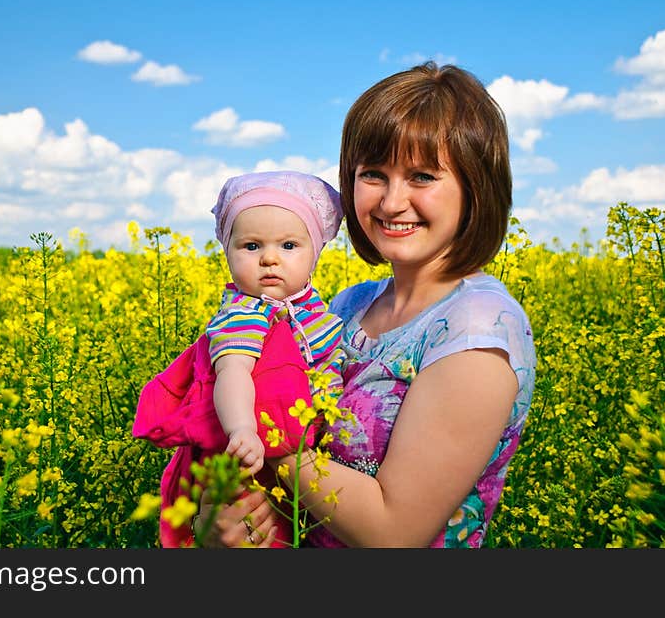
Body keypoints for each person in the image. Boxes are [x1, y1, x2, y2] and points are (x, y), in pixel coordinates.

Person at [197, 61, 537, 548]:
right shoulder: (350, 305)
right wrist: (226, 522)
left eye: (422, 176)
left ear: (475, 188)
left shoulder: (476, 328)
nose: (393, 201)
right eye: (373, 174)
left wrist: (269, 439)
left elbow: (393, 533)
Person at [133, 170, 346, 547]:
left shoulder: (318, 315)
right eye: (251, 246)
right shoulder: (244, 314)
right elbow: (233, 371)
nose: (269, 259)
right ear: (226, 251)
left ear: (317, 251)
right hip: (250, 457)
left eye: (289, 246)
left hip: (303, 471)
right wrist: (242, 430)